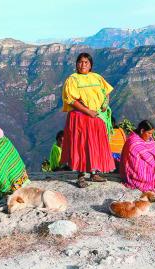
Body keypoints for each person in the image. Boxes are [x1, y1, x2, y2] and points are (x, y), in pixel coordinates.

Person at [60, 52, 115, 188]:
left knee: (95, 144)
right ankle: (81, 176)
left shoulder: (97, 77)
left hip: (96, 117)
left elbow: (106, 91)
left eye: (86, 62)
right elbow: (71, 100)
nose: (83, 65)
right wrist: (88, 111)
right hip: (81, 116)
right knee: (81, 145)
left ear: (90, 65)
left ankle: (94, 173)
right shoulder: (72, 79)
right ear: (76, 64)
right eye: (80, 62)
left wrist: (105, 104)